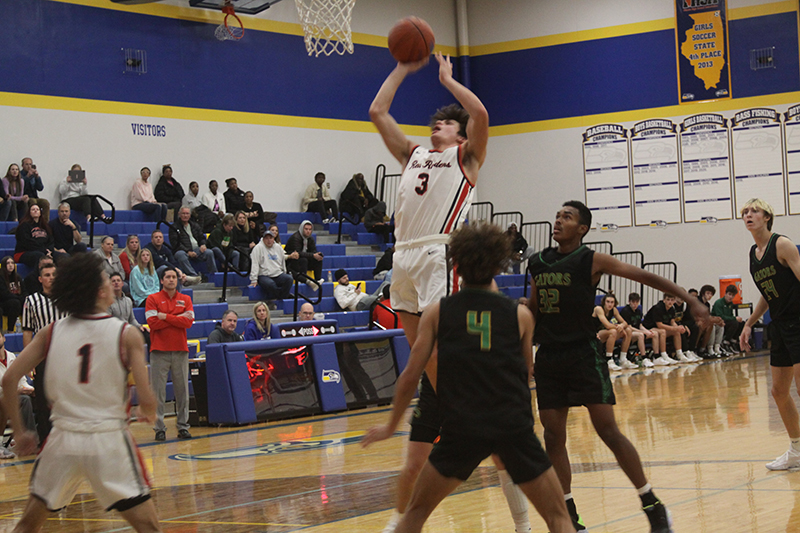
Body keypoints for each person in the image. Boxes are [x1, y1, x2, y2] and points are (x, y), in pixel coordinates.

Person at [363, 223, 574, 533]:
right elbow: (527, 372)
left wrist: (390, 427)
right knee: (558, 518)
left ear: (456, 265)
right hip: (511, 426)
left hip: (462, 427)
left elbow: (409, 376)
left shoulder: (437, 312)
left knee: (415, 514)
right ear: (499, 265)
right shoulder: (520, 315)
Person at [528, 200, 709, 533]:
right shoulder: (537, 262)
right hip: (550, 356)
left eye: (566, 217)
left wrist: (692, 299)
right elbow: (534, 307)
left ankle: (652, 504)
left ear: (582, 228)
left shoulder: (590, 259)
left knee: (608, 430)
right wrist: (523, 349)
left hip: (583, 354)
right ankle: (569, 514)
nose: (558, 220)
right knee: (553, 436)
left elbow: (644, 276)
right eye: (556, 215)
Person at [369, 52, 490, 533]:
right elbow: (378, 112)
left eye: (445, 123)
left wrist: (447, 80)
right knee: (415, 346)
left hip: (442, 251)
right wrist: (403, 67)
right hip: (403, 253)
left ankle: (464, 408)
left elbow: (480, 115)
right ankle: (449, 406)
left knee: (439, 339)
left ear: (458, 135)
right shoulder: (413, 153)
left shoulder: (468, 157)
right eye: (435, 121)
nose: (436, 125)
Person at [1, 253, 162, 532]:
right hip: (107, 440)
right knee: (149, 527)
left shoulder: (50, 332)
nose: (113, 285)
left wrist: (19, 430)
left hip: (62, 440)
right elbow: (147, 401)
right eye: (106, 281)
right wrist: (146, 409)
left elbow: (9, 380)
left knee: (27, 525)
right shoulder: (127, 334)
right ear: (99, 291)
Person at [739, 197, 800, 470]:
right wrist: (749, 323)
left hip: (799, 322)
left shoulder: (782, 244)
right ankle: (797, 450)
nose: (748, 215)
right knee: (778, 391)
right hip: (780, 324)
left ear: (767, 217)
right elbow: (767, 294)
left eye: (754, 211)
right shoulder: (754, 254)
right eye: (745, 212)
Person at [22, 260, 67, 447]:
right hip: (42, 357)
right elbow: (27, 331)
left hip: (65, 356)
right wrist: (28, 360)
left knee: (66, 399)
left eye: (54, 275)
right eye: (47, 275)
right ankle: (46, 441)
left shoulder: (67, 298)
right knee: (43, 401)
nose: (51, 278)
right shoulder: (31, 301)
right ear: (40, 279)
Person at [145, 267, 193, 441]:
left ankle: (183, 426)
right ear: (162, 280)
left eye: (174, 277)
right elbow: (152, 323)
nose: (171, 279)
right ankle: (159, 428)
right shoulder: (152, 299)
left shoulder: (185, 298)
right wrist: (176, 318)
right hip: (159, 351)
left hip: (180, 350)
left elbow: (188, 322)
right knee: (158, 392)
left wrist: (165, 316)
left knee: (182, 391)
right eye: (168, 277)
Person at [0, 329, 37, 459]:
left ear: (4, 339)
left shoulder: (11, 356)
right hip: (3, 397)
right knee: (24, 399)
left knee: (38, 397)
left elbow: (21, 380)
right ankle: (29, 441)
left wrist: (29, 389)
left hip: (17, 395)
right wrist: (16, 391)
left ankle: (43, 437)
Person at [592, 294, 636, 370]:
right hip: (594, 334)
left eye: (612, 302)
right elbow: (607, 325)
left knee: (628, 330)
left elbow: (625, 323)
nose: (610, 304)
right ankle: (609, 359)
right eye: (608, 302)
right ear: (604, 302)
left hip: (605, 333)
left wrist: (621, 326)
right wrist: (618, 326)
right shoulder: (599, 309)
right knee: (613, 331)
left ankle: (623, 359)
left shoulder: (614, 310)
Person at [169, 206, 216, 277]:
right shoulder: (174, 227)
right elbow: (175, 243)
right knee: (180, 255)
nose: (185, 215)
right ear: (179, 214)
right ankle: (194, 276)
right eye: (183, 213)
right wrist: (188, 251)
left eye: (187, 214)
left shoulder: (195, 225)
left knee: (209, 252)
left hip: (197, 250)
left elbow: (201, 238)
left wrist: (203, 244)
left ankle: (213, 275)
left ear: (190, 215)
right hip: (183, 251)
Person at [249, 230, 294, 301]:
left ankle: (281, 297)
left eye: (270, 238)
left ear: (273, 239)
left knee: (289, 279)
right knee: (270, 284)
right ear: (263, 239)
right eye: (266, 238)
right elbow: (255, 264)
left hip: (278, 274)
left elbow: (282, 261)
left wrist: (284, 272)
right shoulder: (258, 248)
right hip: (264, 275)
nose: (269, 240)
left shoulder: (278, 247)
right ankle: (284, 296)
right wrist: (254, 279)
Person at [15, 204, 60, 268]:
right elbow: (27, 243)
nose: (35, 211)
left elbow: (51, 241)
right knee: (40, 256)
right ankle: (39, 276)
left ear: (40, 213)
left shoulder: (45, 226)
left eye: (37, 209)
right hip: (24, 252)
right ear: (29, 212)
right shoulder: (24, 226)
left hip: (44, 251)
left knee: (62, 257)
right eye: (33, 210)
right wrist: (44, 251)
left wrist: (49, 251)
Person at [619, 292, 658, 367]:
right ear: (629, 302)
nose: (635, 304)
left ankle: (656, 356)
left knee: (654, 333)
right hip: (627, 333)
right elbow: (629, 327)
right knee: (640, 335)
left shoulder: (638, 311)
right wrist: (642, 332)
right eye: (633, 302)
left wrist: (646, 331)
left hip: (637, 331)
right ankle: (644, 358)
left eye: (637, 302)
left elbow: (640, 325)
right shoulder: (625, 311)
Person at [284, 220, 324, 286]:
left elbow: (313, 251)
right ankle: (302, 279)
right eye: (306, 229)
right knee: (303, 260)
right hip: (291, 261)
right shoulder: (295, 238)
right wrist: (313, 255)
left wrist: (317, 255)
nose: (308, 231)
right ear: (302, 229)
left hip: (302, 260)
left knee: (318, 259)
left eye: (310, 229)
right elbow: (298, 253)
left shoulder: (310, 239)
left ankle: (318, 280)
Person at [712, 284, 744, 355]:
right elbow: (720, 316)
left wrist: (735, 318)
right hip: (718, 322)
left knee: (742, 323)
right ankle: (725, 341)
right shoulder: (718, 303)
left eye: (733, 295)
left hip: (726, 322)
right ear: (725, 293)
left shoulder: (730, 304)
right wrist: (734, 318)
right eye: (729, 294)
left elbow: (730, 315)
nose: (731, 297)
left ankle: (733, 341)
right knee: (734, 322)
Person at [0, 256, 25, 331]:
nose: (11, 265)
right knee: (15, 303)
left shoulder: (18, 277)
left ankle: (30, 329)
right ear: (4, 265)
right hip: (4, 303)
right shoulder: (1, 278)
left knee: (29, 302)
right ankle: (10, 330)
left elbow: (24, 291)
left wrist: (25, 298)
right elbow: (4, 294)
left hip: (17, 300)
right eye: (8, 263)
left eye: (12, 263)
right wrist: (19, 298)